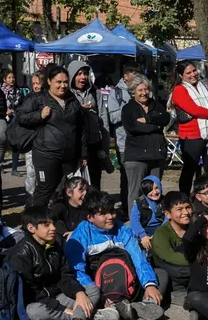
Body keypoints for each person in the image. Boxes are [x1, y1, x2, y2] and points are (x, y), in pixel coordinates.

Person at [8, 206, 119, 320]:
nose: (53, 228)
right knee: (34, 312)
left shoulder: (55, 245)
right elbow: (30, 292)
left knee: (92, 290)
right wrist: (61, 308)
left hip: (59, 295)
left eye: (53, 223)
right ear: (31, 228)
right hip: (39, 302)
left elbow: (65, 276)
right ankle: (90, 316)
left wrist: (79, 293)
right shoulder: (21, 254)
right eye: (46, 225)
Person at [65, 190, 165, 320]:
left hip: (128, 282)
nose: (110, 216)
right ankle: (120, 306)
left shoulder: (123, 230)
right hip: (101, 287)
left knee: (161, 275)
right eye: (103, 214)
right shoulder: (79, 236)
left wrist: (149, 284)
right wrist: (98, 295)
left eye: (112, 211)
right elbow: (77, 270)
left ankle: (143, 303)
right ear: (90, 217)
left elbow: (138, 258)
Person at [16, 64, 87, 208]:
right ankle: (33, 223)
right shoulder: (38, 99)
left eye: (65, 82)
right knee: (44, 190)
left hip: (68, 155)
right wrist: (39, 115)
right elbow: (20, 116)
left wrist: (83, 153)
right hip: (45, 154)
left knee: (63, 190)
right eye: (59, 82)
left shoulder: (72, 100)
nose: (63, 86)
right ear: (49, 81)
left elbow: (81, 128)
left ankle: (56, 221)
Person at [171, 61, 208, 194]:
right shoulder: (179, 90)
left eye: (194, 71)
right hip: (192, 136)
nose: (193, 74)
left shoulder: (205, 86)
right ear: (181, 75)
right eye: (188, 73)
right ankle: (184, 198)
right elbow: (194, 110)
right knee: (190, 169)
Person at [121, 73, 170, 212]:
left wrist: (148, 120)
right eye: (140, 90)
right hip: (136, 156)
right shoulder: (128, 109)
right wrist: (156, 125)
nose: (144, 93)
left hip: (157, 154)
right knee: (135, 192)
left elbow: (166, 118)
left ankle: (154, 220)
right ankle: (135, 225)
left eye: (146, 89)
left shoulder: (157, 106)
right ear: (133, 92)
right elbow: (133, 127)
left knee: (155, 191)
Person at [69, 61, 111, 190]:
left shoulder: (95, 92)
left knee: (94, 181)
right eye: (79, 74)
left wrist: (105, 146)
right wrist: (79, 109)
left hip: (93, 143)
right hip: (74, 144)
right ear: (72, 75)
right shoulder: (67, 94)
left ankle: (94, 207)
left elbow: (104, 119)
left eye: (85, 74)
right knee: (75, 182)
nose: (83, 77)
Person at [101, 64, 137, 208]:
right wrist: (128, 107)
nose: (136, 77)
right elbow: (113, 118)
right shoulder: (116, 93)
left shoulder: (142, 90)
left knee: (139, 176)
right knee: (127, 176)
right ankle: (125, 205)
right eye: (133, 73)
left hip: (140, 140)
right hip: (124, 141)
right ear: (126, 76)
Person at [151, 191, 193, 295]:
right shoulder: (161, 232)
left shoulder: (193, 227)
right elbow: (169, 256)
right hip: (171, 270)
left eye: (188, 207)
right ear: (168, 214)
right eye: (179, 209)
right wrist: (200, 262)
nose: (186, 212)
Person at [130, 175, 165, 252]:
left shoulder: (165, 201)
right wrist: (143, 236)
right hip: (144, 229)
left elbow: (168, 219)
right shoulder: (139, 203)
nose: (154, 192)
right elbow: (134, 221)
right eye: (150, 190)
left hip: (161, 228)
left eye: (156, 188)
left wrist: (159, 233)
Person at [49, 176, 89, 242]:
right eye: (81, 190)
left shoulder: (88, 206)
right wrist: (65, 233)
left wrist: (76, 233)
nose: (85, 193)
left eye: (86, 190)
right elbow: (49, 221)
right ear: (69, 192)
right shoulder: (60, 206)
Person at [2, 69, 26, 176]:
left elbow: (22, 105)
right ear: (4, 79)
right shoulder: (0, 91)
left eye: (13, 77)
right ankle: (0, 165)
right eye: (9, 78)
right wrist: (5, 111)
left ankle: (14, 169)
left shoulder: (19, 91)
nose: (12, 80)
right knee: (2, 143)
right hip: (3, 119)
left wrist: (14, 112)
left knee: (15, 144)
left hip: (15, 119)